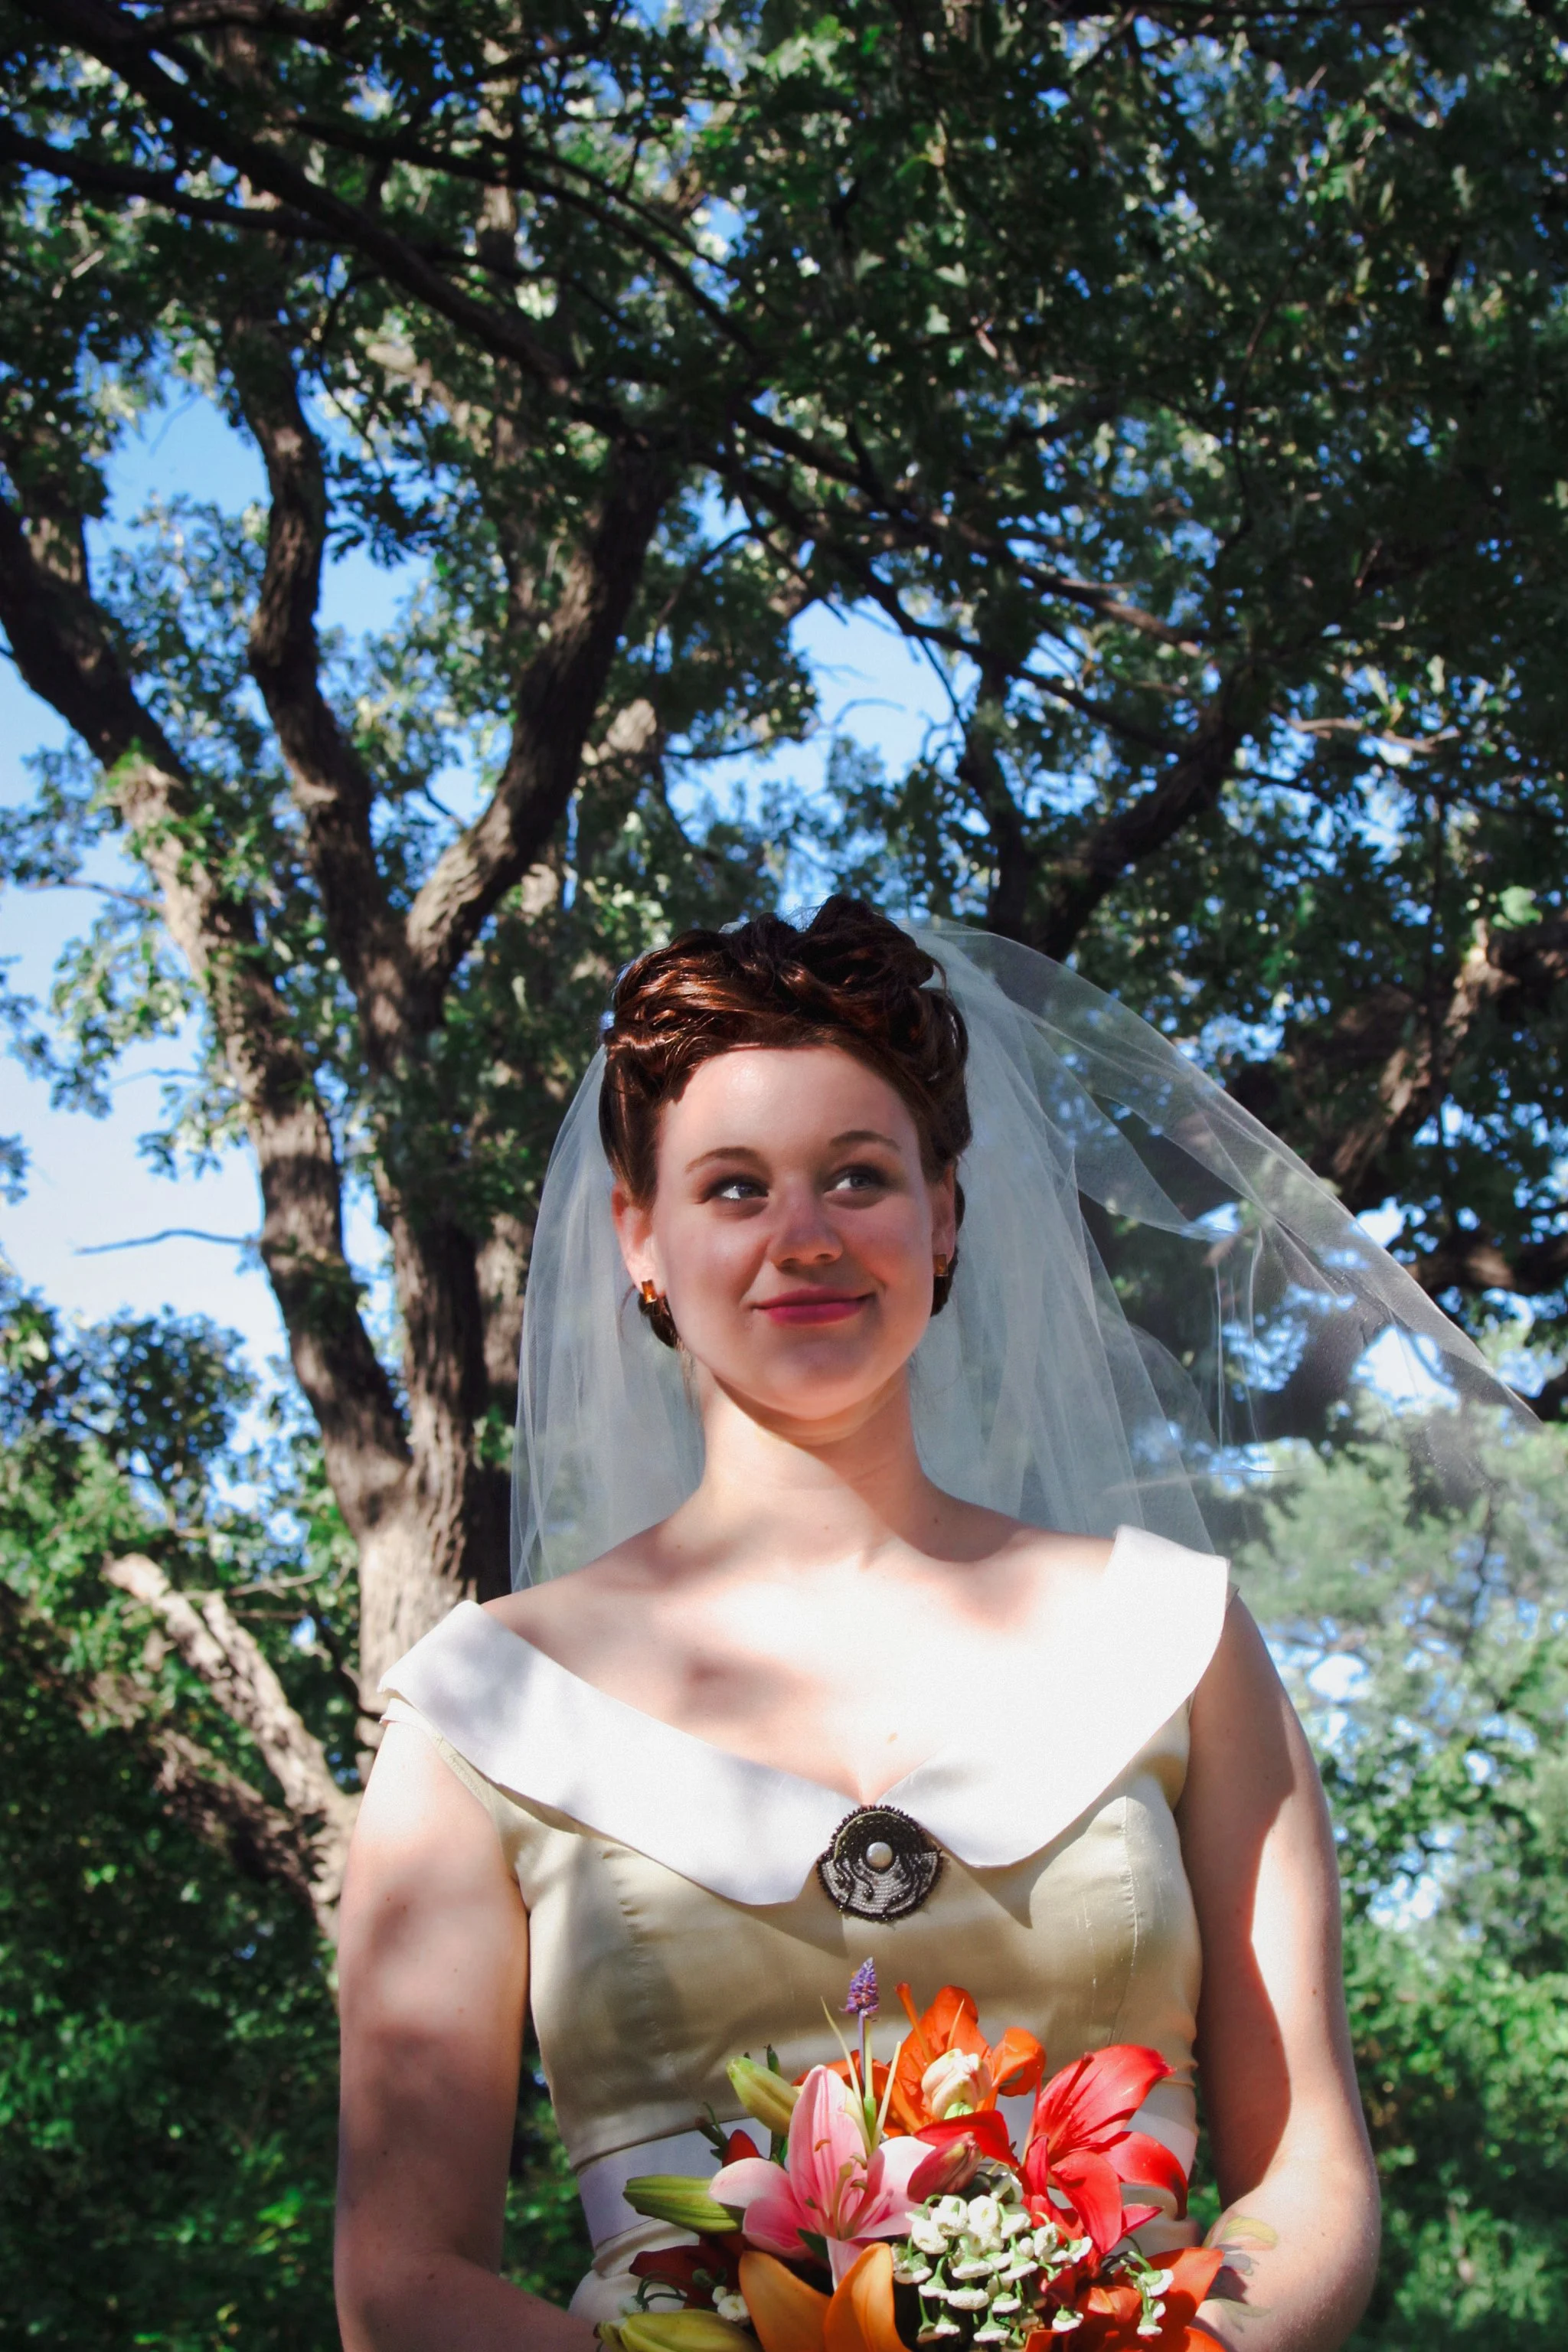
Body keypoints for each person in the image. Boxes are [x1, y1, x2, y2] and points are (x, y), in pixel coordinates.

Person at [335, 900, 1390, 2352]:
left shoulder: (1179, 1637)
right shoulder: (486, 1711)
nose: (805, 1238)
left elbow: (1309, 2167)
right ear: (638, 1237)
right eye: (733, 1189)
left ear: (943, 1215)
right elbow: (400, 2279)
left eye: (858, 1175)